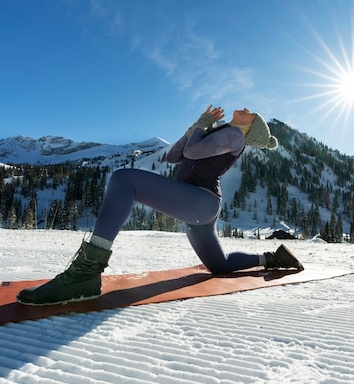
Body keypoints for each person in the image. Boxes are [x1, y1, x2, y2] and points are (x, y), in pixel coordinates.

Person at [17, 106, 304, 306]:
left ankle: (85, 274)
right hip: (199, 205)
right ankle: (271, 258)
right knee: (219, 265)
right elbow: (174, 156)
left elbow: (191, 151)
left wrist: (202, 125)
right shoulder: (222, 131)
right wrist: (198, 126)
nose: (247, 108)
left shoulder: (235, 136)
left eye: (252, 113)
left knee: (123, 179)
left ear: (250, 126)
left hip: (200, 201)